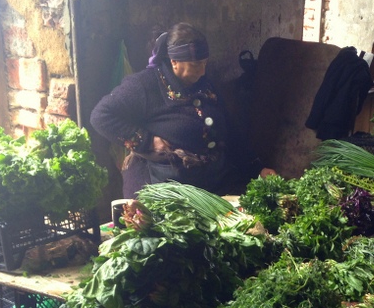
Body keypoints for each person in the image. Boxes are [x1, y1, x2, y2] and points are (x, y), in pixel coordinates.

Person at [91, 22, 271, 198]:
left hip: (211, 185)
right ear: (174, 61)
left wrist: (257, 168)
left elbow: (230, 131)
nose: (202, 71)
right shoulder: (145, 85)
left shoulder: (205, 86)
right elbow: (100, 116)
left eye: (204, 63)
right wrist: (146, 141)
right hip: (167, 189)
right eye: (195, 65)